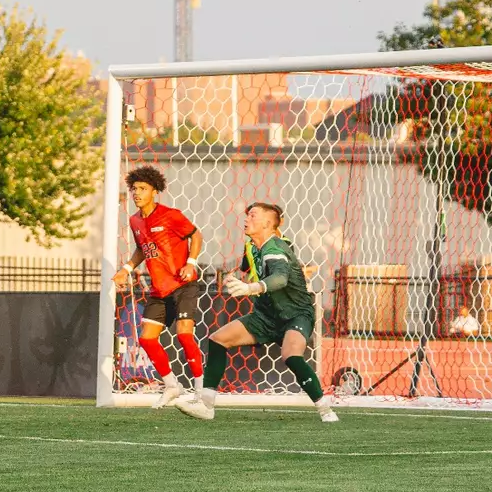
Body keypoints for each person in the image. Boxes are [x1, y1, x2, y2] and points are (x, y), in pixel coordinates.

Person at [174, 202, 337, 423]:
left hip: (295, 315)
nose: (247, 219)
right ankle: (206, 405)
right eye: (247, 215)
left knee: (291, 355)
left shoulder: (275, 248)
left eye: (253, 215)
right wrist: (234, 278)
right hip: (265, 316)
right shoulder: (253, 246)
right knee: (218, 339)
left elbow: (280, 278)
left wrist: (251, 288)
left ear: (268, 224)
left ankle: (325, 409)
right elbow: (245, 267)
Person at [109, 165, 204, 408]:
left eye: (143, 188)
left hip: (182, 284)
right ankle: (172, 386)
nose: (137, 193)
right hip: (159, 290)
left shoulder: (171, 215)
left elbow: (196, 235)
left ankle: (201, 390)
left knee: (184, 334)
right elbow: (142, 248)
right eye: (134, 189)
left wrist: (191, 263)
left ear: (155, 191)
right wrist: (126, 269)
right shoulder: (135, 221)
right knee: (147, 339)